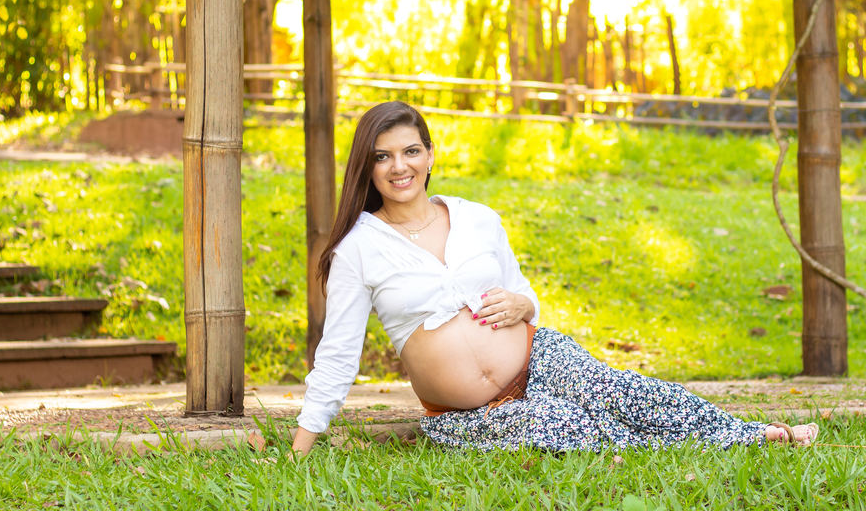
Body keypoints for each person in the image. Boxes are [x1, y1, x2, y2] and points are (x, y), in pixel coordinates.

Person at [290, 101, 819, 455]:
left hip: (539, 358)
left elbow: (525, 295)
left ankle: (758, 435)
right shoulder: (358, 247)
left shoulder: (477, 217)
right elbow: (338, 353)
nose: (398, 166)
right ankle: (716, 448)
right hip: (465, 413)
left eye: (410, 151)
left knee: (635, 394)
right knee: (570, 427)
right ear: (367, 166)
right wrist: (300, 448)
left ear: (431, 156)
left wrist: (524, 308)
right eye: (382, 157)